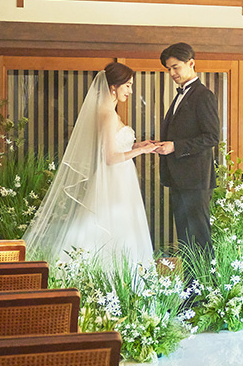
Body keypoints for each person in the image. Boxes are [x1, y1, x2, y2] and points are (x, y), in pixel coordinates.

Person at [24, 62, 158, 268]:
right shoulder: (107, 115)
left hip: (121, 179)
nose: (131, 91)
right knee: (111, 229)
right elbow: (110, 157)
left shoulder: (107, 111)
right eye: (128, 85)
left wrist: (137, 144)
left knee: (122, 229)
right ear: (113, 86)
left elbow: (113, 144)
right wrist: (141, 151)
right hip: (114, 181)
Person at [155, 42, 220, 260]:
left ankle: (204, 291)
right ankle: (191, 291)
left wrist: (175, 146)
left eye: (175, 67)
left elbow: (212, 137)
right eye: (168, 69)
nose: (172, 73)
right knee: (185, 240)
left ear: (191, 63)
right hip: (179, 179)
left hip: (195, 181)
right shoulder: (181, 96)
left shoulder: (203, 95)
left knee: (199, 239)